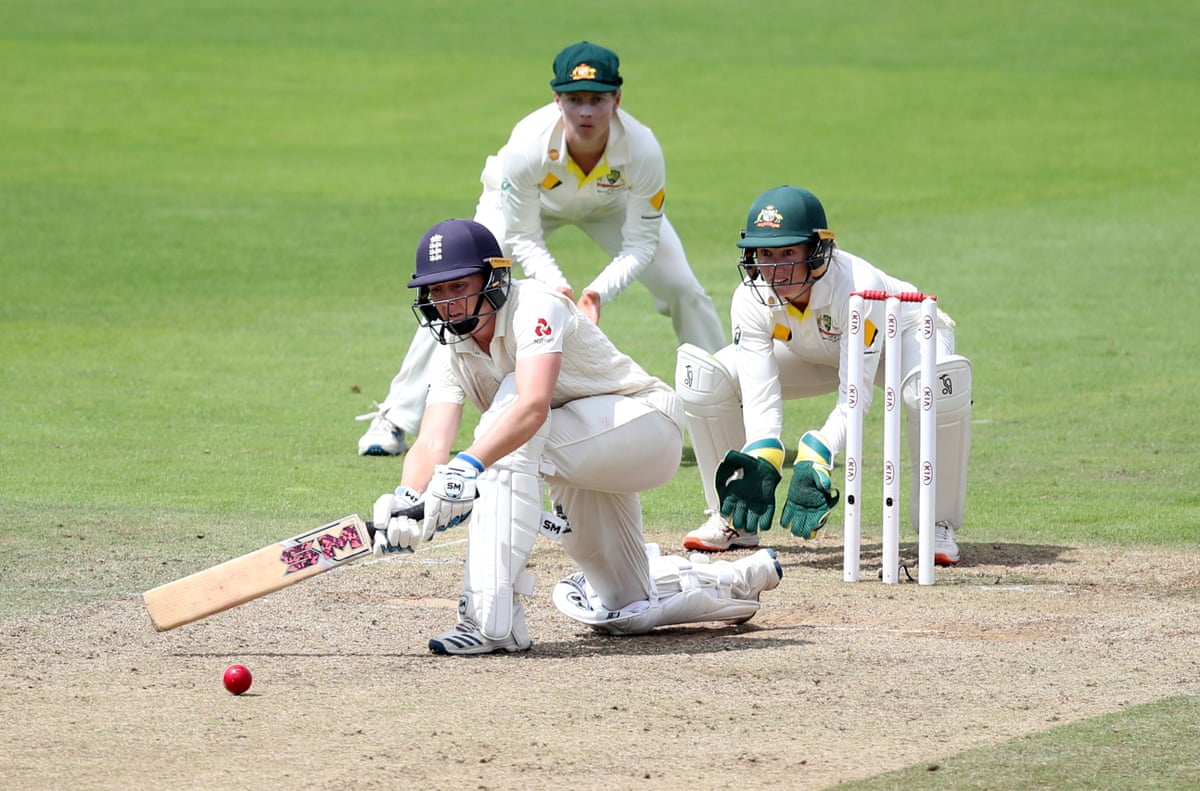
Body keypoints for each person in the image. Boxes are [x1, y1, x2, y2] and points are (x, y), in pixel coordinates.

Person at [370, 218, 781, 655]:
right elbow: (432, 441)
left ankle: (490, 622)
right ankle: (736, 579)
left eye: (458, 287)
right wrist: (407, 500)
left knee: (506, 428)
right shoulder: (454, 348)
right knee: (628, 606)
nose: (448, 303)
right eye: (437, 292)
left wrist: (466, 468)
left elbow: (531, 406)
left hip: (644, 429)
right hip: (576, 457)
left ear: (493, 278)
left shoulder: (535, 307)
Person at [356, 41, 726, 456]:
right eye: (574, 100)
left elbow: (641, 243)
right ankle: (396, 417)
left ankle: (728, 410)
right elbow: (523, 236)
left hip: (611, 202)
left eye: (597, 100)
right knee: (459, 286)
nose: (585, 112)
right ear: (557, 99)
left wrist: (596, 293)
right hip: (523, 205)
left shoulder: (643, 149)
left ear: (617, 99)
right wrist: (558, 289)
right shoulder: (528, 144)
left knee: (684, 288)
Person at [675, 186, 972, 565]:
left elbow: (856, 394)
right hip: (812, 350)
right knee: (709, 377)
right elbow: (760, 392)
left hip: (900, 338)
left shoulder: (858, 288)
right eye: (766, 253)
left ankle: (937, 524)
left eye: (787, 253)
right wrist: (762, 455)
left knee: (932, 390)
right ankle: (734, 517)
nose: (776, 269)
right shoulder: (750, 297)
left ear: (817, 253)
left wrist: (819, 449)